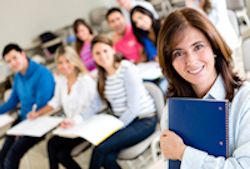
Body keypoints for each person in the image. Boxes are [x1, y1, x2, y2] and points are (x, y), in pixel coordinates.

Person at [158, 8, 250, 168]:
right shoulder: (172, 109)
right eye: (178, 53)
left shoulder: (245, 100)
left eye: (198, 47)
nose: (191, 61)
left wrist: (183, 153)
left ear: (214, 47)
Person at [88, 35, 157, 169]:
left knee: (99, 150)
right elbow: (95, 105)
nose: (102, 56)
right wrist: (77, 119)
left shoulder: (127, 69)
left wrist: (114, 128)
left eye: (105, 50)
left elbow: (134, 108)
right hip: (124, 122)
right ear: (93, 57)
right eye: (97, 53)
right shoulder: (101, 75)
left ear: (113, 50)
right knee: (107, 157)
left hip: (143, 120)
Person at [28, 46, 97, 169]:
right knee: (59, 152)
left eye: (67, 61)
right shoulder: (62, 81)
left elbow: (93, 108)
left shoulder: (85, 81)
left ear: (74, 61)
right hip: (71, 127)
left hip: (86, 125)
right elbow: (55, 102)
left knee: (54, 146)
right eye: (60, 63)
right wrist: (37, 113)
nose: (64, 66)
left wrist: (74, 120)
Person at [0, 43, 55, 169]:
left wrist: (23, 129)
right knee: (2, 156)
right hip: (23, 119)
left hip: (38, 120)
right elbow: (12, 101)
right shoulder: (18, 76)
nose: (13, 63)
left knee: (11, 158)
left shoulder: (42, 73)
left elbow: (42, 104)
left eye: (15, 58)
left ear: (23, 54)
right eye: (9, 61)